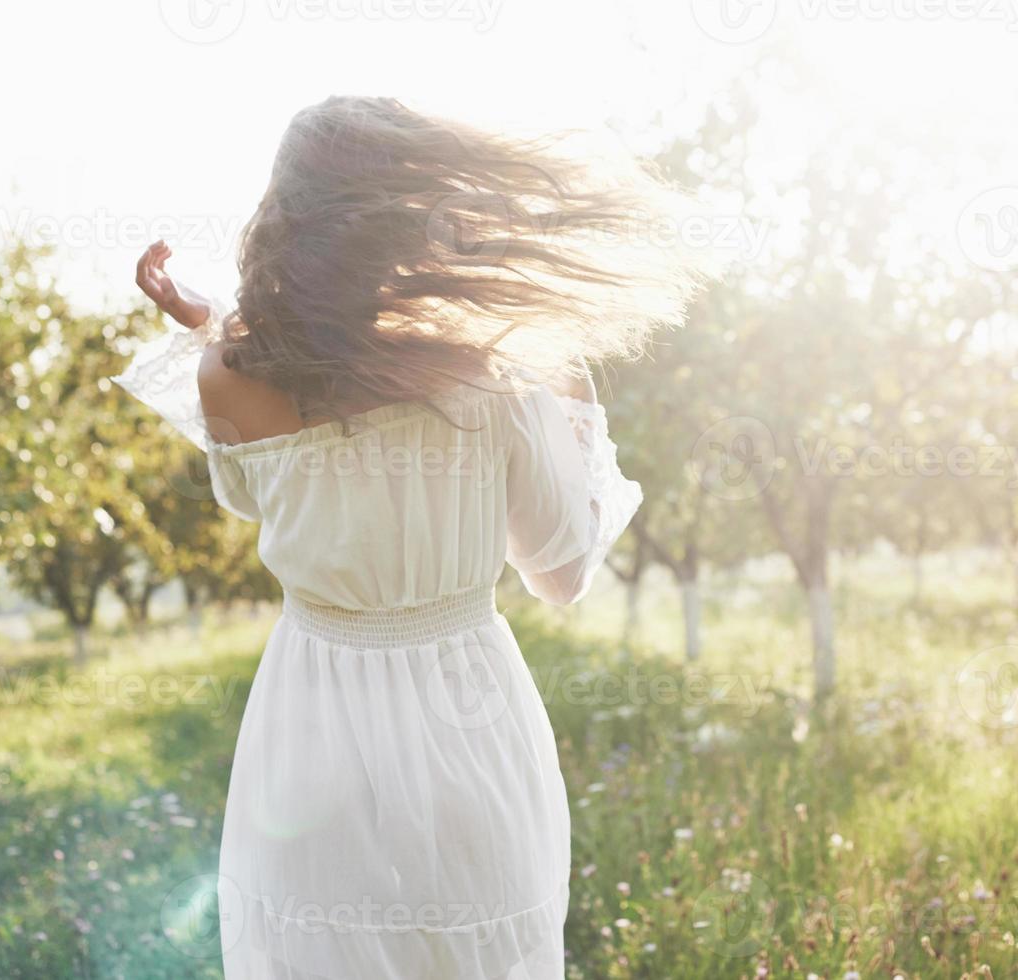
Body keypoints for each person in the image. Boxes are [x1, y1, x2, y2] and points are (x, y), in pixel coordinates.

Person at [115, 95, 708, 979]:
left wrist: (215, 326)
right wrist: (573, 397)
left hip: (309, 720)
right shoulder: (494, 368)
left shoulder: (229, 374)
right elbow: (561, 573)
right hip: (466, 717)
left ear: (286, 219)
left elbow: (254, 491)